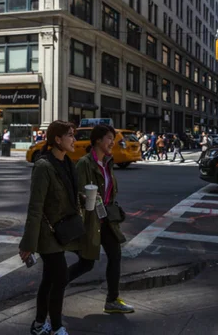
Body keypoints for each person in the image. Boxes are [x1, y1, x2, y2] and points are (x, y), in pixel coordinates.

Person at [19, 120, 81, 335]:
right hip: (48, 234)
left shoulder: (68, 162)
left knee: (49, 278)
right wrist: (28, 243)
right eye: (70, 135)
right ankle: (56, 327)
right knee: (61, 277)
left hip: (62, 230)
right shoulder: (44, 166)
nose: (74, 139)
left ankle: (38, 324)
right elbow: (35, 207)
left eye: (74, 135)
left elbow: (71, 194)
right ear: (57, 139)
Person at [67, 124, 134, 314]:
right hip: (90, 221)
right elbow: (78, 193)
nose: (112, 142)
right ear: (97, 140)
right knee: (86, 263)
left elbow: (109, 192)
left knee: (115, 255)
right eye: (109, 139)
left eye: (113, 139)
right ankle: (54, 287)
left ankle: (112, 300)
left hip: (106, 220)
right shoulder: (85, 164)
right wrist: (89, 199)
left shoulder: (107, 162)